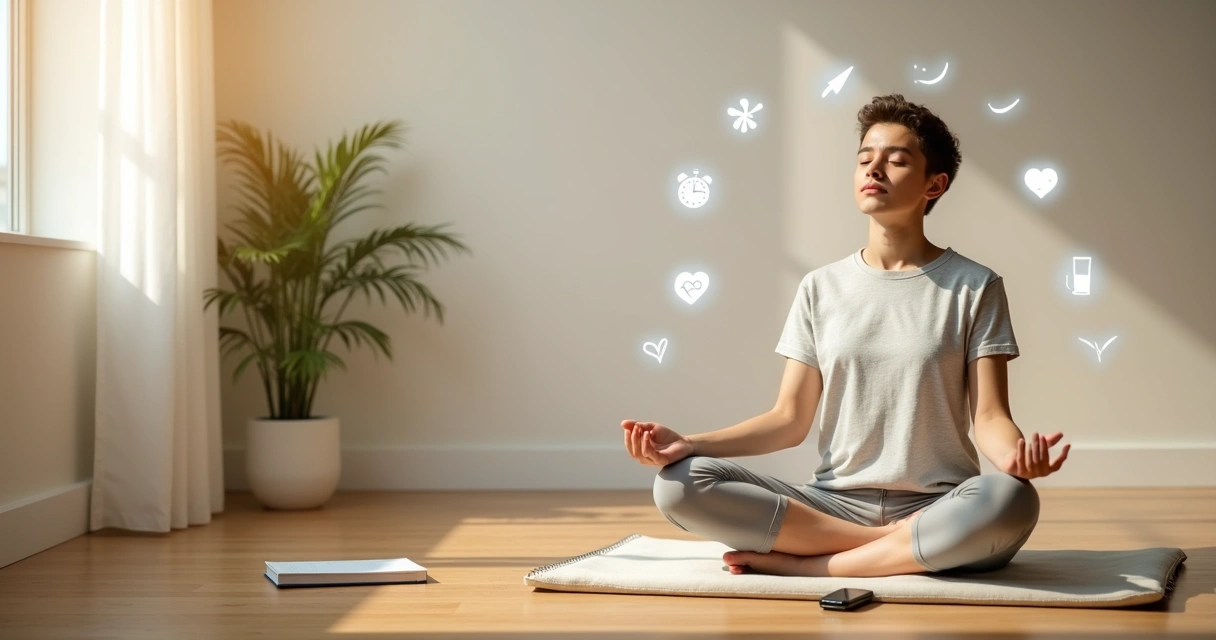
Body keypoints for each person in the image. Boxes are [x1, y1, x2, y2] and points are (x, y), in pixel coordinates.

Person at [621, 94, 1070, 579]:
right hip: (832, 506)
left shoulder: (975, 286)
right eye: (864, 159)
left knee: (1010, 498)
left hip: (941, 504)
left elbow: (989, 416)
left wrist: (1015, 459)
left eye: (896, 161)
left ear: (934, 184)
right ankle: (886, 549)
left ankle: (816, 566)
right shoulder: (820, 287)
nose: (874, 169)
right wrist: (689, 443)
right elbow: (789, 420)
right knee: (678, 485)